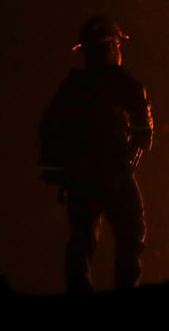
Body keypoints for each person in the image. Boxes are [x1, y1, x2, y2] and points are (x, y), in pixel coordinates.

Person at [38, 16, 153, 293]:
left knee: (83, 236)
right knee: (131, 230)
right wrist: (139, 142)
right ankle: (126, 291)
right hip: (113, 169)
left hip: (80, 174)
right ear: (112, 46)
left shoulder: (72, 87)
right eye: (118, 44)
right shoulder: (119, 82)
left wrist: (59, 174)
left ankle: (80, 294)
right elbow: (142, 119)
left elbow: (50, 127)